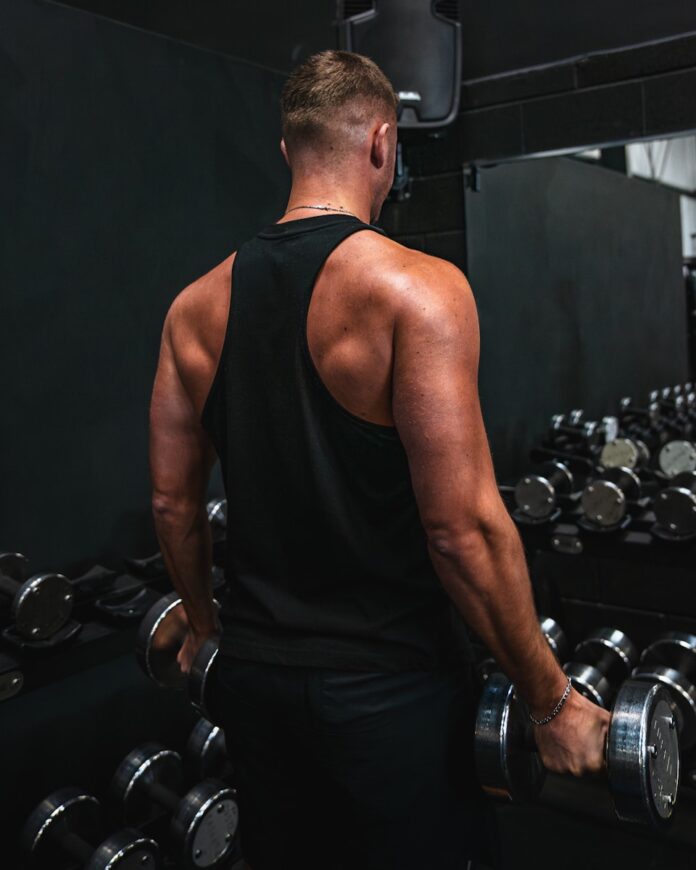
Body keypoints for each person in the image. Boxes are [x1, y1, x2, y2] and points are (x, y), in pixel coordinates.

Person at [149, 49, 609, 870]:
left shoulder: (193, 308)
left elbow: (174, 506)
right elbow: (461, 529)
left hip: (258, 684)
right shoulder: (416, 290)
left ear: (287, 151)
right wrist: (552, 701)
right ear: (382, 146)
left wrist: (205, 631)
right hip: (393, 698)